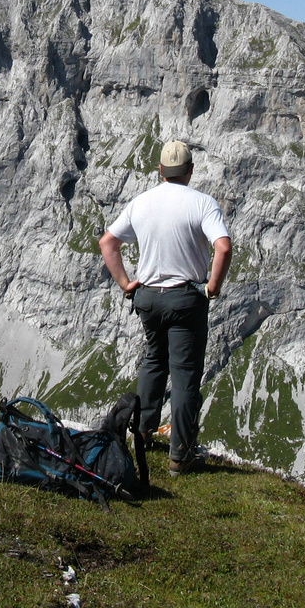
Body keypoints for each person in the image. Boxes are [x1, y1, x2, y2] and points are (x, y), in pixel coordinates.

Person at [99, 140, 231, 477]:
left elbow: (108, 243)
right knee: (185, 375)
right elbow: (223, 247)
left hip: (147, 296)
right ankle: (181, 456)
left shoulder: (142, 202)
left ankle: (141, 433)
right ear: (189, 171)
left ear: (160, 171)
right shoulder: (202, 203)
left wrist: (126, 283)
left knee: (154, 360)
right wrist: (212, 287)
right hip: (185, 298)